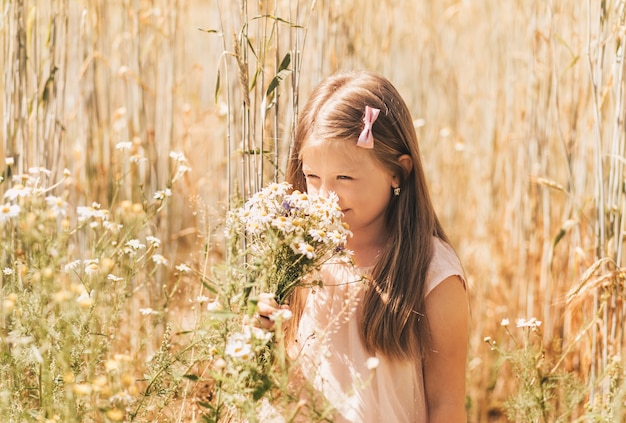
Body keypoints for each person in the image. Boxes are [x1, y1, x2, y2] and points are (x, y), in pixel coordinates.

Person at [257, 71, 468, 422]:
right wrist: (265, 341)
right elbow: (287, 384)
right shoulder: (299, 258)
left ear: (397, 173)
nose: (325, 195)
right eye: (312, 177)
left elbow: (447, 404)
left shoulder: (434, 275)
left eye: (345, 178)